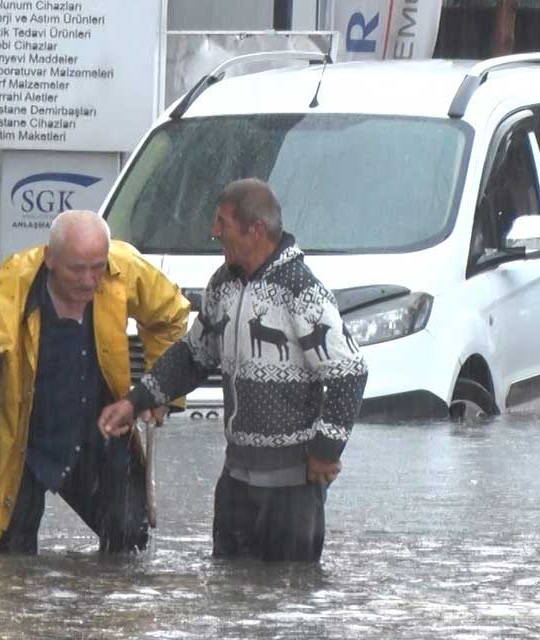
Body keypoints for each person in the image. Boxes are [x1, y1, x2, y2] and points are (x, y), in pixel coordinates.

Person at [0, 210, 190, 555]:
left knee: (130, 545)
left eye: (97, 267)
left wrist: (158, 392)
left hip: (99, 436)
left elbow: (171, 315)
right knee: (7, 565)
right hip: (23, 446)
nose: (89, 280)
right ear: (50, 259)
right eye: (77, 269)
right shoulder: (11, 291)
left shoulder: (124, 267)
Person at [98, 178, 367, 563]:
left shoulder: (301, 290)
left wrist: (325, 452)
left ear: (255, 230)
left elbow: (350, 374)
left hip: (292, 491)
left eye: (222, 222)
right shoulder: (222, 285)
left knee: (290, 606)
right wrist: (138, 400)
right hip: (236, 484)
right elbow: (194, 356)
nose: (214, 231)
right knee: (229, 601)